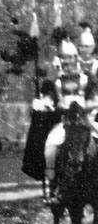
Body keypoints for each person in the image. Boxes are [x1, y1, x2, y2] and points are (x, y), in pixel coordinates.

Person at [41, 39, 98, 189]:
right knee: (50, 145)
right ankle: (51, 185)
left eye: (70, 57)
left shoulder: (86, 78)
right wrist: (46, 103)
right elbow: (49, 98)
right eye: (63, 57)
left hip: (86, 120)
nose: (67, 61)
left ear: (76, 57)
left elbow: (94, 99)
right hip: (65, 122)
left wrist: (85, 106)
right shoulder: (56, 80)